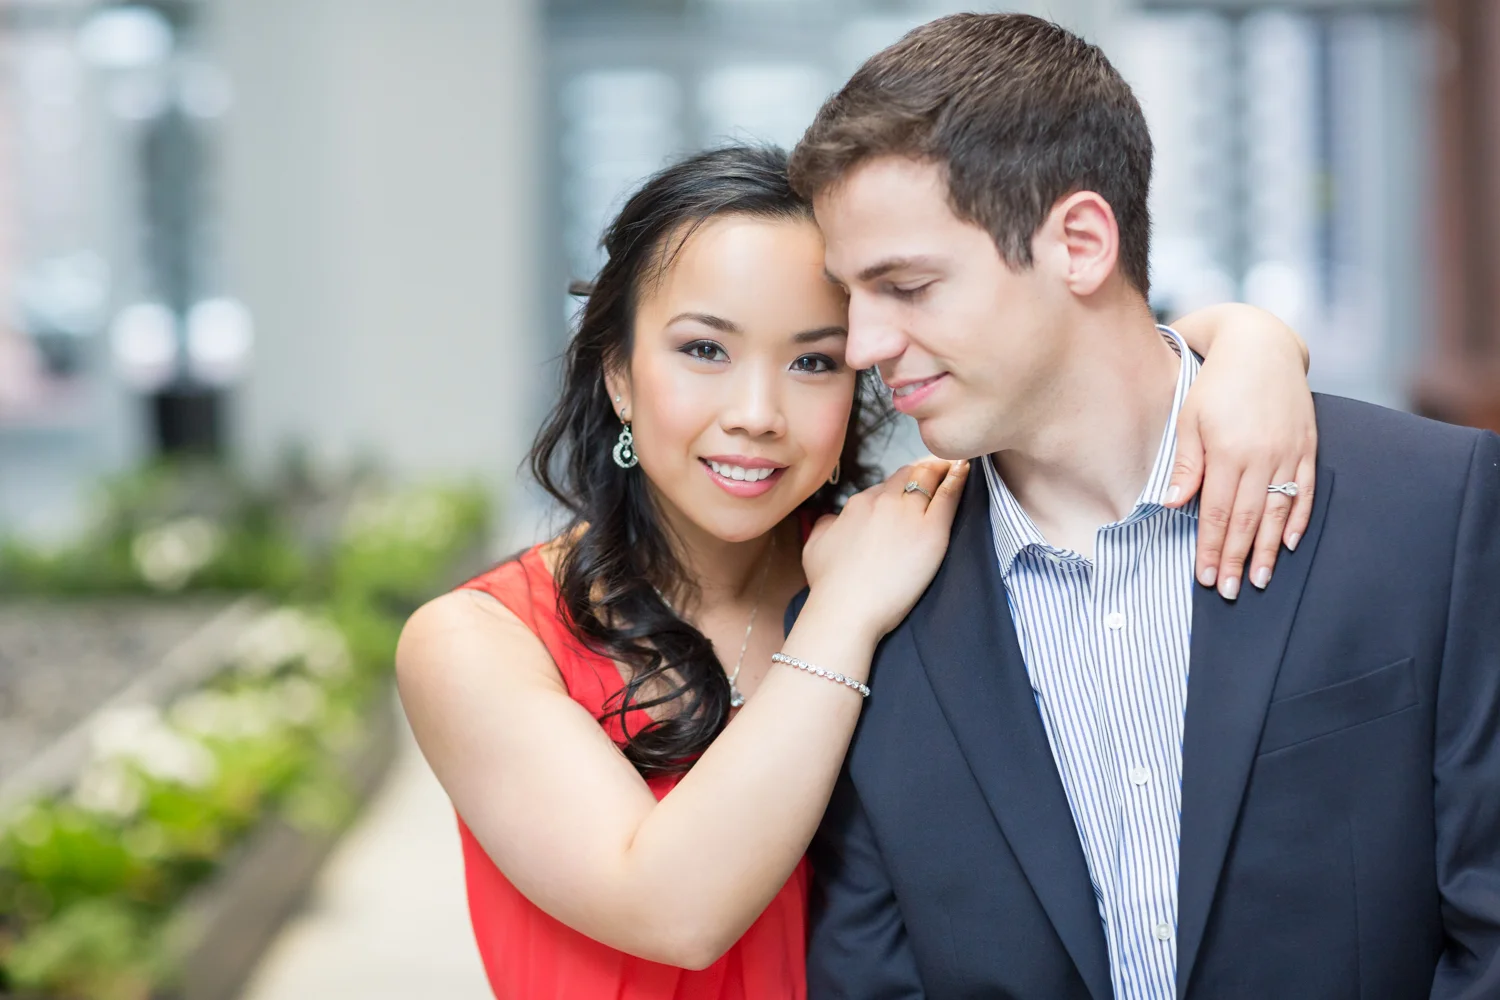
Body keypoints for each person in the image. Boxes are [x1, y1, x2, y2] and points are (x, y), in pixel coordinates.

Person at [395, 144, 1318, 999]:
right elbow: (673, 911)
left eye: (813, 360)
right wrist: (844, 614)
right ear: (619, 375)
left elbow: (1091, 368)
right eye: (704, 349)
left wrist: (1251, 343)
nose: (757, 413)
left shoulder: (905, 543)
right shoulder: (479, 644)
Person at [787, 12, 1500, 1000]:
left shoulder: (1432, 509)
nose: (864, 345)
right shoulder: (867, 603)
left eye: (906, 286)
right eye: (850, 298)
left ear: (1080, 243)